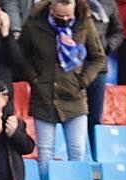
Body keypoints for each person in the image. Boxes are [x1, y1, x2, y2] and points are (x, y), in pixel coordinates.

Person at [19, 0, 104, 168]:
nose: (64, 19)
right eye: (59, 16)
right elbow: (21, 56)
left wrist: (82, 81)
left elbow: (98, 58)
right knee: (45, 153)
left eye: (68, 16)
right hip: (43, 96)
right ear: (50, 8)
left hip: (75, 96)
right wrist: (35, 79)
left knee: (77, 151)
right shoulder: (34, 24)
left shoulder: (85, 23)